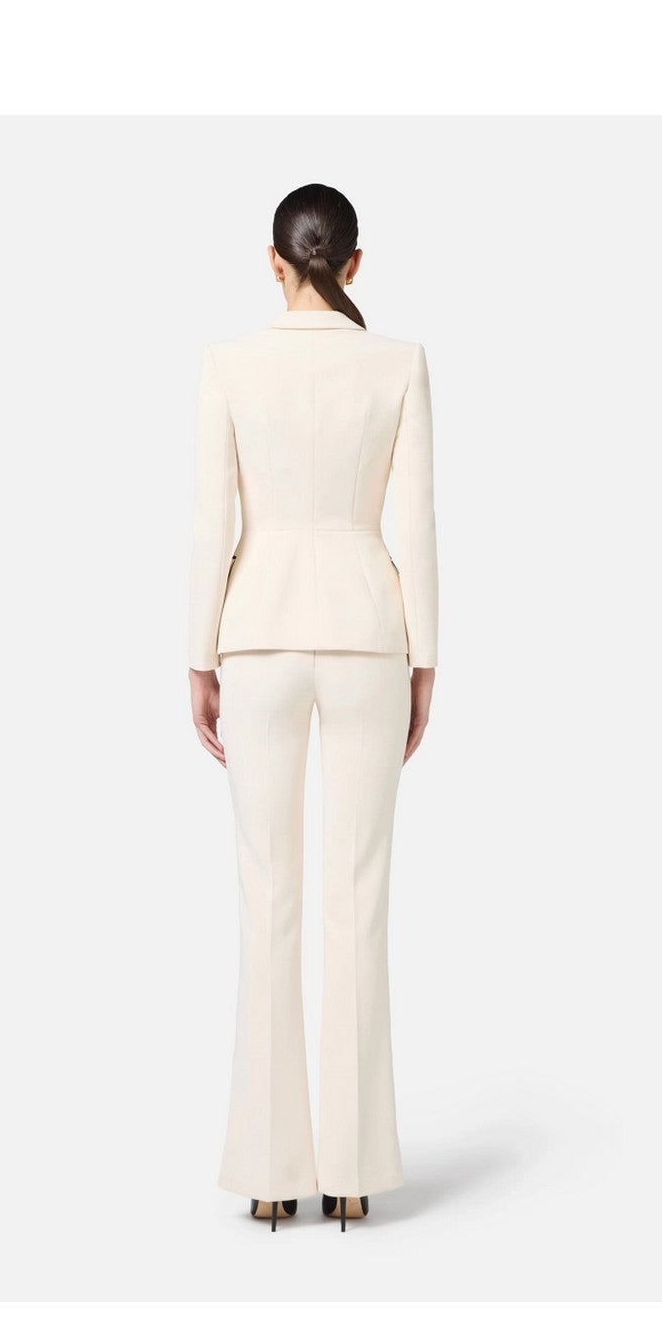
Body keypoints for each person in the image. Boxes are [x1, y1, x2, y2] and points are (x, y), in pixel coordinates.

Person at [187, 183, 438, 1233]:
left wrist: (198, 652)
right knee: (359, 894)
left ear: (275, 261)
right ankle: (354, 1169)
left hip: (256, 633)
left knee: (268, 897)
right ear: (356, 263)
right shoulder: (398, 363)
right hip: (370, 631)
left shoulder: (230, 363)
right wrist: (425, 654)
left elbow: (213, 518)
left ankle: (268, 1170)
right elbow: (416, 519)